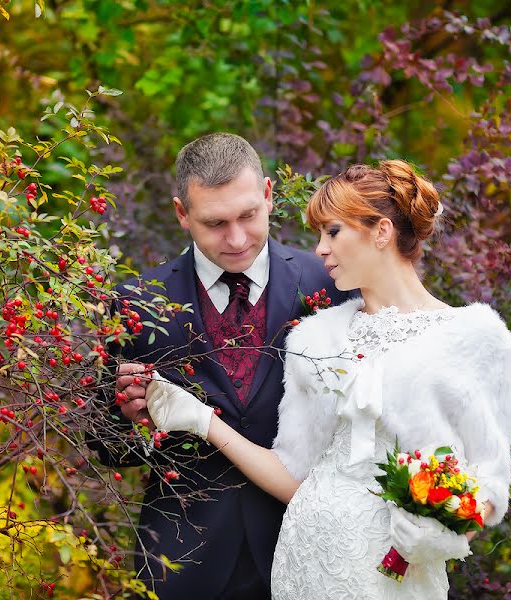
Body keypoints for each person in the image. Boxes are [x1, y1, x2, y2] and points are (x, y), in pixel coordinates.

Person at [144, 160, 511, 599]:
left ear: (381, 231)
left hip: (391, 575)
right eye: (319, 235)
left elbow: (489, 483)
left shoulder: (475, 337)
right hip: (304, 563)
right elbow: (291, 472)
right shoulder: (315, 337)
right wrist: (202, 420)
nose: (320, 250)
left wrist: (446, 533)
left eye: (333, 232)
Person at [87, 133, 355, 599]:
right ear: (181, 214)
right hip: (184, 559)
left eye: (248, 216)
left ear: (269, 195)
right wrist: (127, 418)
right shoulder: (138, 302)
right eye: (214, 223)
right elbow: (105, 445)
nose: (235, 239)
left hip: (305, 550)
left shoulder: (329, 283)